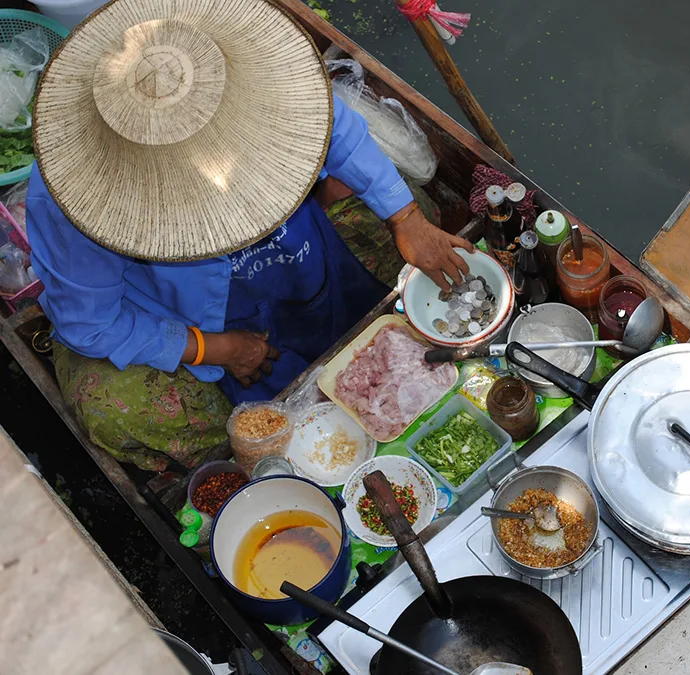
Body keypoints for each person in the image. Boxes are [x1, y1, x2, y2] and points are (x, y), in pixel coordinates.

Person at [26, 0, 473, 470]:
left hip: (296, 251)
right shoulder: (69, 196)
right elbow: (88, 322)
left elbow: (336, 128)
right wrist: (211, 347)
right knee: (116, 407)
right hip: (190, 310)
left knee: (410, 210)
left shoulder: (258, 69)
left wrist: (405, 218)